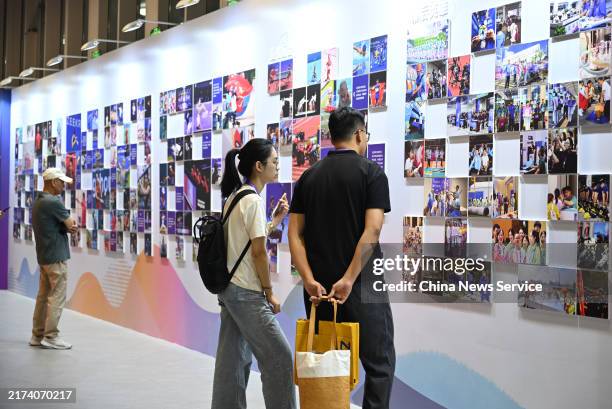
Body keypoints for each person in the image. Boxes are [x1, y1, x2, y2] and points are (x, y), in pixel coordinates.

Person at [289, 107, 395, 409]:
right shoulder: (372, 174)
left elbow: (294, 234)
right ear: (360, 134)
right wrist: (348, 279)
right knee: (379, 365)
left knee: (325, 366)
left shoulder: (308, 178)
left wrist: (308, 280)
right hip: (362, 287)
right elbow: (372, 231)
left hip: (319, 292)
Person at [212, 139, 295, 409]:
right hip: (247, 292)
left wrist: (276, 221)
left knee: (232, 363)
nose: (277, 166)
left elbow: (246, 241)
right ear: (258, 166)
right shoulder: (253, 201)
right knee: (280, 357)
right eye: (273, 161)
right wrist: (269, 292)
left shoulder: (236, 197)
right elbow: (259, 253)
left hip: (230, 289)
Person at [30, 168, 77, 350]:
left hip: (44, 256)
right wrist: (68, 227)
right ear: (53, 182)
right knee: (57, 296)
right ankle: (51, 336)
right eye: (61, 182)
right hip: (56, 256)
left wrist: (65, 227)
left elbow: (55, 227)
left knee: (43, 297)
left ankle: (37, 334)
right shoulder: (53, 202)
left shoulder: (39, 202)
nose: (63, 185)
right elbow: (71, 224)